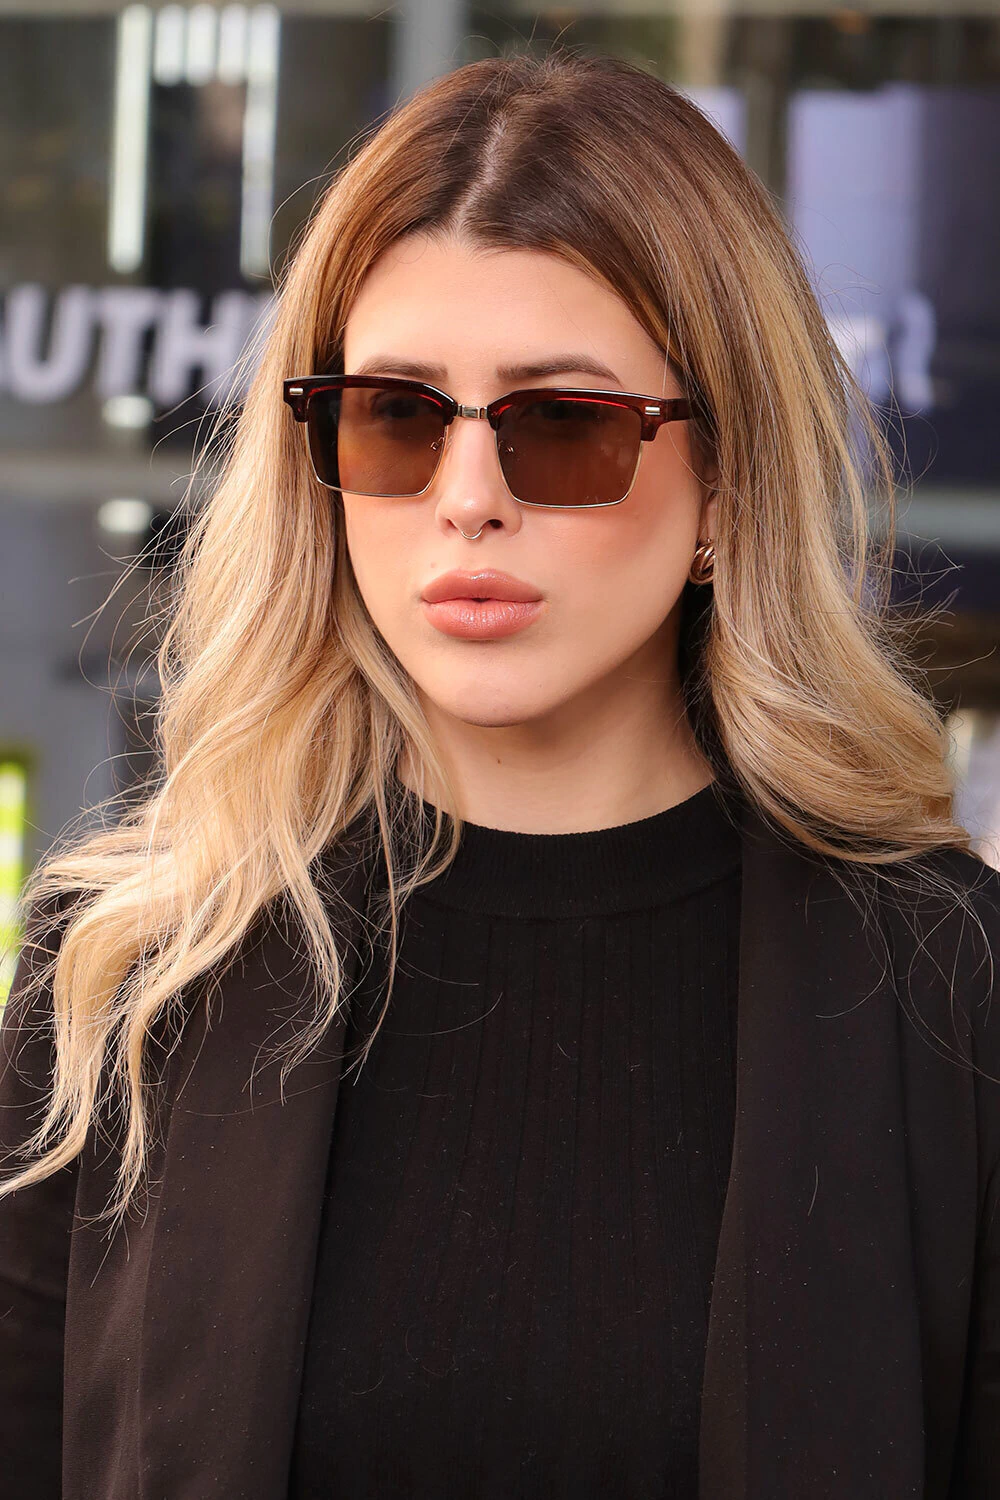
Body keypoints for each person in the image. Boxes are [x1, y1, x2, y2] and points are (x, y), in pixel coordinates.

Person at [1, 46, 999, 1500]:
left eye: (566, 427)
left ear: (729, 482)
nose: (467, 501)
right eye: (395, 416)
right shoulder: (132, 976)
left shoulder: (952, 989)